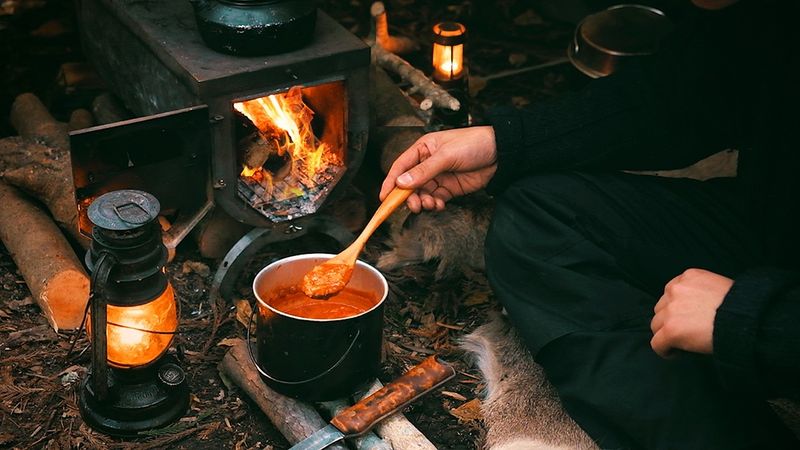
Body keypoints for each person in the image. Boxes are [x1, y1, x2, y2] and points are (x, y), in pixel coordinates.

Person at [379, 0, 799, 448]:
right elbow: (695, 94)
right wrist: (507, 144)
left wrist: (754, 322)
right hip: (774, 222)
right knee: (541, 215)